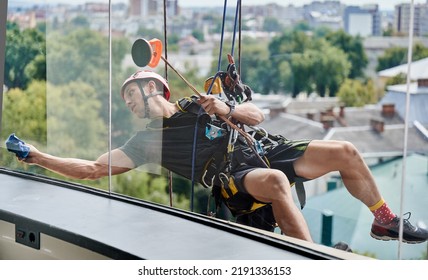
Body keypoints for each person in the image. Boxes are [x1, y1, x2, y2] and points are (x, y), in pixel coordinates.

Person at [15, 70, 428, 245]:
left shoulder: (200, 103)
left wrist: (222, 107)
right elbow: (92, 169)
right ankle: (311, 259)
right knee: (277, 185)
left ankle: (383, 219)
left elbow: (256, 115)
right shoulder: (146, 142)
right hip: (233, 178)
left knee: (346, 152)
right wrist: (37, 156)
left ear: (153, 89)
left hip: (265, 148)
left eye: (130, 95)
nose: (128, 104)